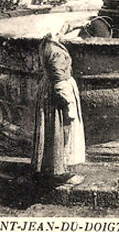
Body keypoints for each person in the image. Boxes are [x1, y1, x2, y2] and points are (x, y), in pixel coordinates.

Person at [31, 25, 85, 187]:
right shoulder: (55, 52)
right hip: (59, 95)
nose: (65, 29)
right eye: (62, 28)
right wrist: (70, 106)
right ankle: (60, 173)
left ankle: (48, 168)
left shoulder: (46, 43)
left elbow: (64, 30)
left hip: (47, 92)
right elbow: (60, 83)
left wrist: (77, 26)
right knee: (61, 132)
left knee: (49, 132)